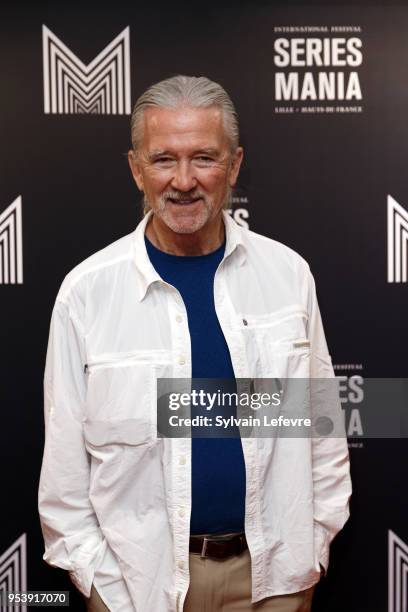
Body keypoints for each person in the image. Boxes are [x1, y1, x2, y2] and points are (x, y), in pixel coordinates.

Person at [38, 75, 352, 612]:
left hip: (273, 580)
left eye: (204, 158)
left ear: (233, 166)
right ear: (137, 168)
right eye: (163, 159)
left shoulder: (288, 274)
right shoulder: (86, 293)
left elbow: (320, 433)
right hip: (141, 588)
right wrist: (98, 585)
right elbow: (65, 469)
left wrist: (312, 551)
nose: (183, 181)